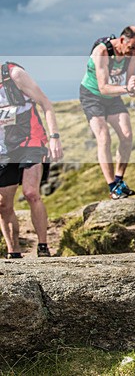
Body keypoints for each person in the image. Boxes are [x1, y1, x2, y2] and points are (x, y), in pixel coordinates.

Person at [0, 62, 63, 258]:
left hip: (32, 141)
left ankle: (43, 245)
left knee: (30, 193)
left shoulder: (15, 75)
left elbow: (46, 104)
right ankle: (13, 251)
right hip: (4, 148)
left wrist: (54, 137)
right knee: (3, 203)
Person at [79, 26, 135, 199]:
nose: (133, 52)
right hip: (92, 96)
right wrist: (126, 88)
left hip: (113, 96)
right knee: (104, 137)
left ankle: (119, 179)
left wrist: (133, 87)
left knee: (127, 135)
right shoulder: (101, 52)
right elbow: (103, 88)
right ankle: (112, 187)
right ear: (122, 40)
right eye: (131, 48)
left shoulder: (133, 54)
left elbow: (130, 77)